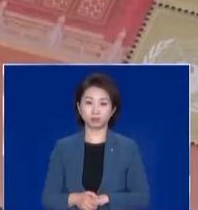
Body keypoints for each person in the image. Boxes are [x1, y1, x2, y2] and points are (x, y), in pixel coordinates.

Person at [41, 73, 150, 210]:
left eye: (103, 103)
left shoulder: (128, 148)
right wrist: (76, 198)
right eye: (89, 102)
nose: (95, 110)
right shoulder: (63, 148)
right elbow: (48, 198)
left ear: (113, 109)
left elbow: (142, 198)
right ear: (79, 108)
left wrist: (108, 198)